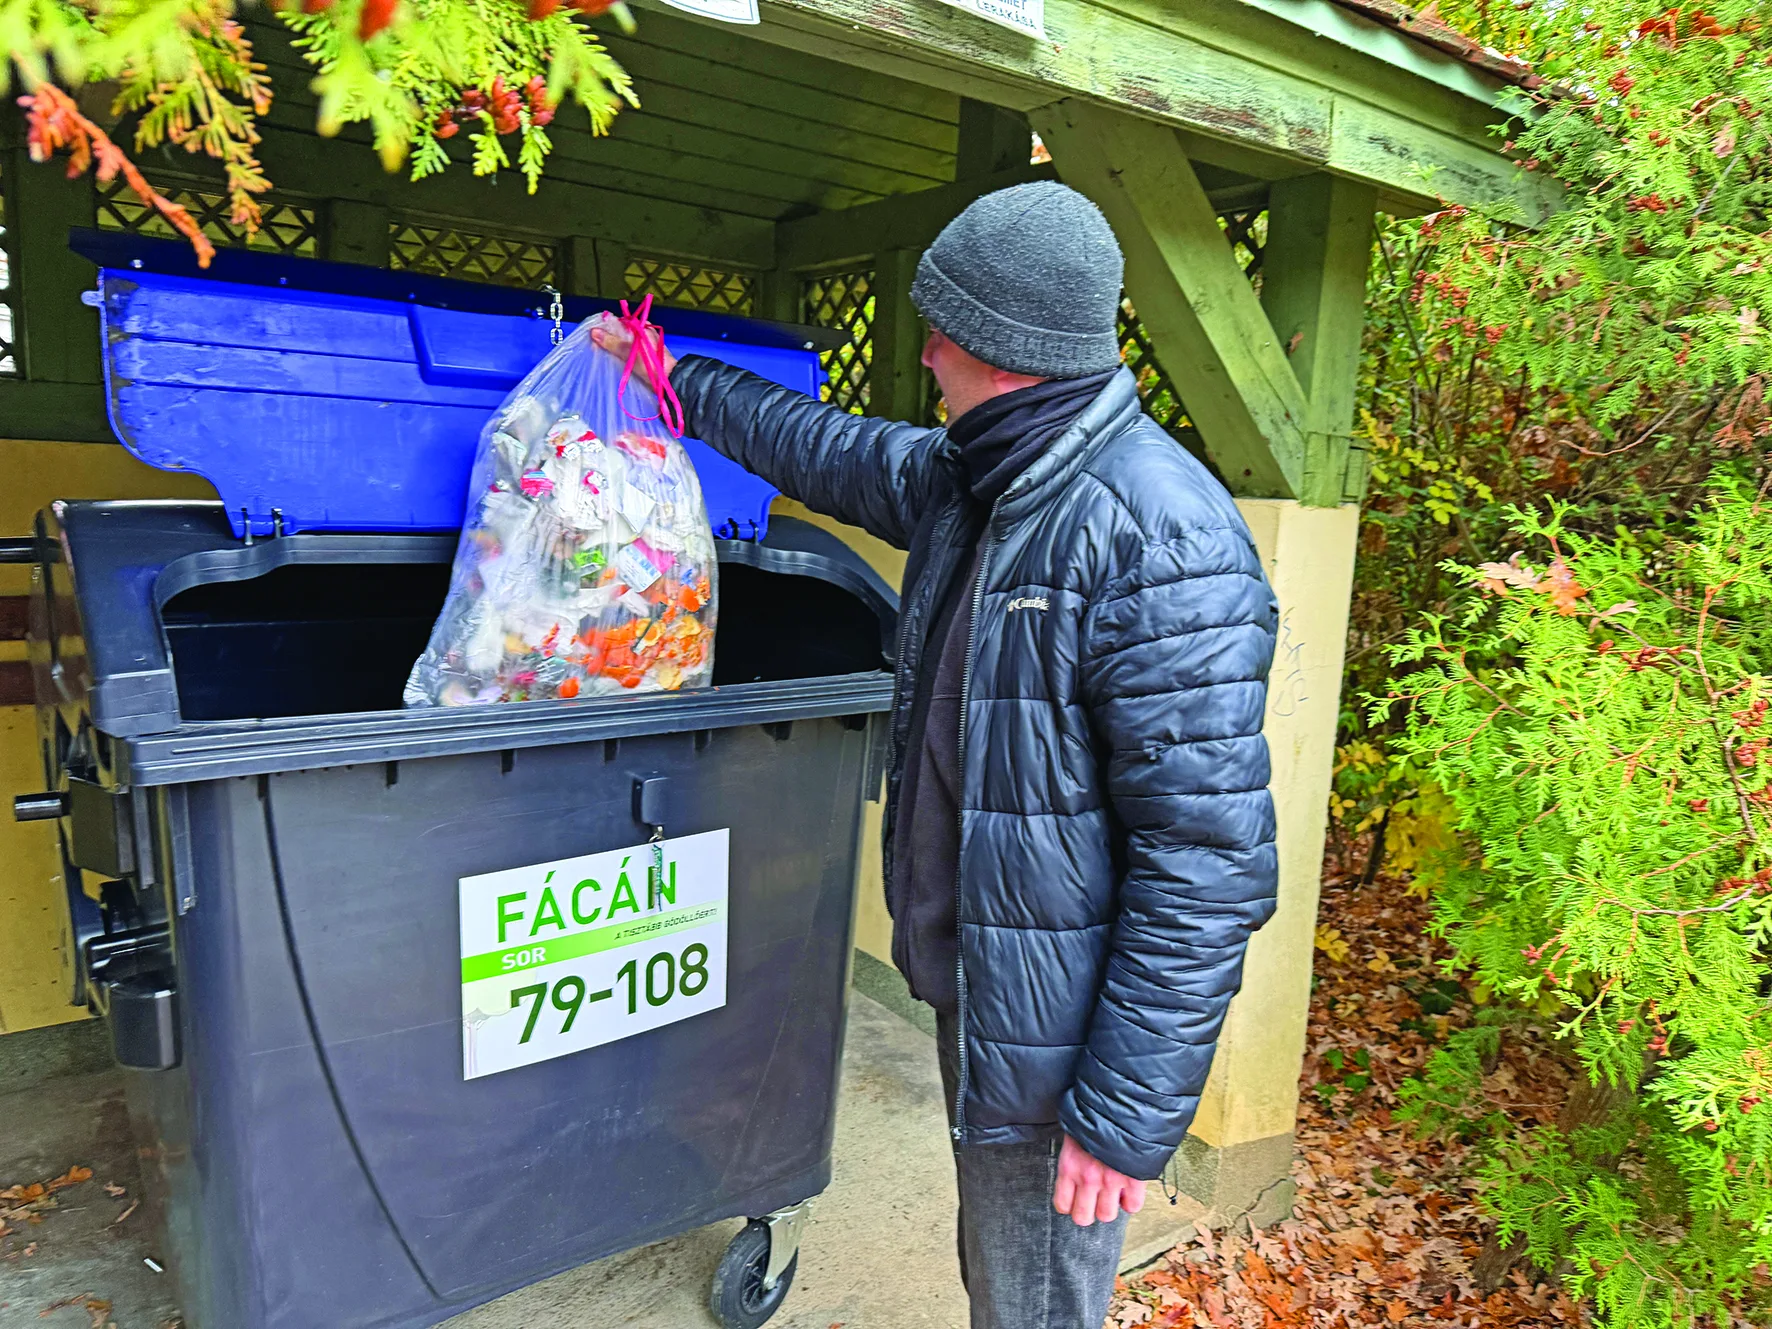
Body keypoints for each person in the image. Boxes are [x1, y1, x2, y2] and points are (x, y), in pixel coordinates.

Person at [594, 181, 1279, 1329]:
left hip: (1061, 1043)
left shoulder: (1158, 537)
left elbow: (1205, 864)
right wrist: (669, 376)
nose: (923, 354)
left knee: (1031, 1300)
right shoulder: (982, 475)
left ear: (1001, 353)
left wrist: (1120, 1116)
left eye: (941, 335)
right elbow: (827, 447)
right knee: (997, 1275)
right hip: (989, 984)